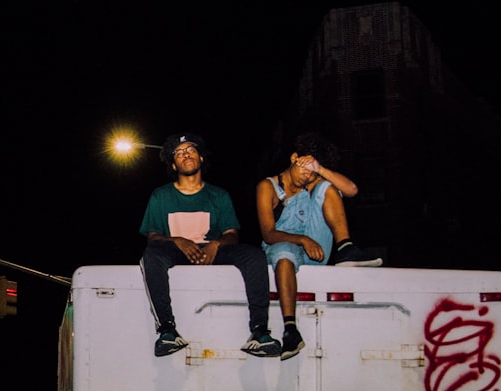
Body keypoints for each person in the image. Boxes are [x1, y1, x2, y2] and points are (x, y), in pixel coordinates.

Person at [140, 132, 281, 358]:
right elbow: (153, 236)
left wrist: (215, 245)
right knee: (151, 254)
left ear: (201, 158)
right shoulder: (161, 196)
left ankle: (260, 332)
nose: (186, 154)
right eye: (179, 153)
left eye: (191, 150)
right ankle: (167, 330)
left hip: (212, 251)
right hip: (176, 252)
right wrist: (178, 241)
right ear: (173, 165)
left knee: (254, 255)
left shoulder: (219, 195)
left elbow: (231, 234)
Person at [256, 131, 380, 360]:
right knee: (284, 253)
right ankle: (291, 330)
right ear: (294, 158)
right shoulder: (268, 186)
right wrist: (303, 240)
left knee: (328, 188)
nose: (306, 176)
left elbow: (352, 190)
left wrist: (319, 170)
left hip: (315, 250)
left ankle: (346, 248)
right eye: (304, 168)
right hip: (283, 245)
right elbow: (268, 233)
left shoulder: (312, 183)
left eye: (311, 172)